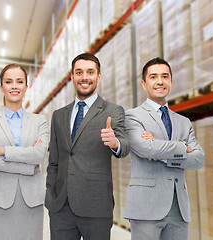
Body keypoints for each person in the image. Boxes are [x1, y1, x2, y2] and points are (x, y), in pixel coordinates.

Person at [45, 52, 130, 240]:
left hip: (96, 205)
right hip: (61, 207)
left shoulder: (112, 110)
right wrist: (52, 194)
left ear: (98, 76)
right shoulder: (59, 115)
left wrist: (114, 142)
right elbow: (54, 161)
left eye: (90, 72)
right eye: (79, 72)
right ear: (72, 77)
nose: (85, 77)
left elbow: (124, 146)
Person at [123, 57, 205, 240]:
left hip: (179, 208)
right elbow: (145, 148)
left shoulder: (183, 122)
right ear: (144, 84)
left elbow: (198, 159)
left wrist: (163, 153)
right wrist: (183, 147)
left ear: (171, 82)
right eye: (153, 77)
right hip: (146, 206)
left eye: (165, 76)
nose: (160, 81)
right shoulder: (132, 116)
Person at [0, 63, 49, 240]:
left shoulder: (39, 121)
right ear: (1, 86)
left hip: (31, 201)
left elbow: (39, 154)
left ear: (26, 87)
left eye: (19, 82)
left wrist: (2, 150)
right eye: (9, 81)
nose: (14, 86)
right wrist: (29, 165)